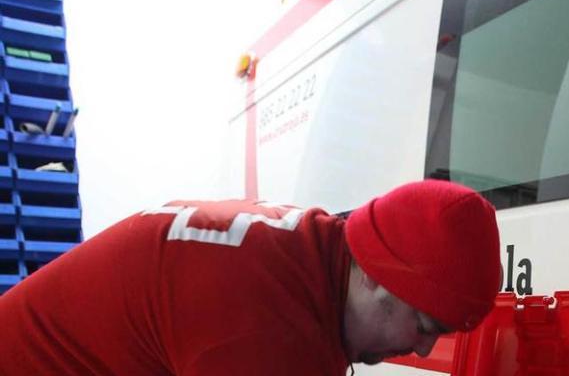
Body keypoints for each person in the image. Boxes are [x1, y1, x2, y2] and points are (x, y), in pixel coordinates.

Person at [0, 179, 501, 375]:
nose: (417, 350)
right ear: (374, 275)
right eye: (425, 326)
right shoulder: (268, 323)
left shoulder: (307, 252)